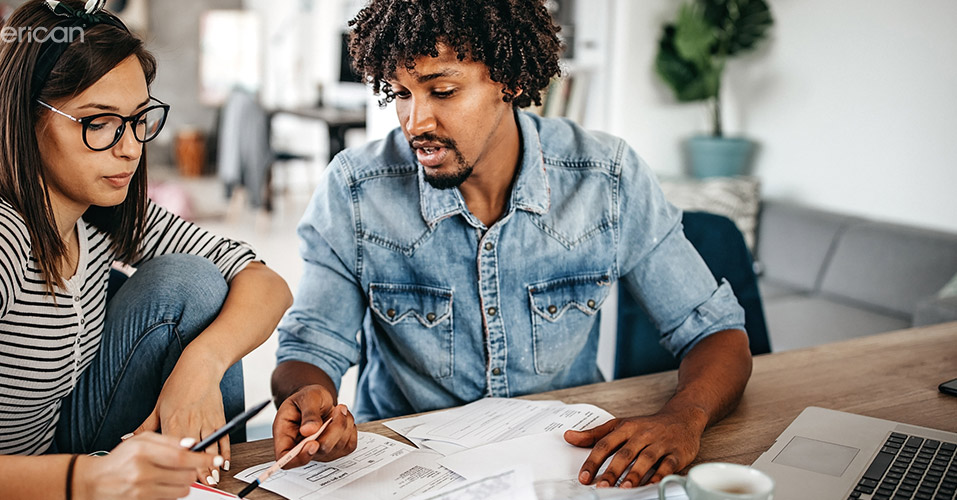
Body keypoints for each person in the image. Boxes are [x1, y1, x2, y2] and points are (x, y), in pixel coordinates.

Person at [269, 0, 753, 489]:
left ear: (510, 81)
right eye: (401, 94)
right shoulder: (356, 190)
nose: (415, 123)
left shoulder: (606, 178)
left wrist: (684, 417)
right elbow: (310, 345)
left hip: (569, 470)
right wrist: (310, 398)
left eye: (442, 90)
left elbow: (715, 334)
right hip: (407, 473)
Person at [0, 1, 292, 499]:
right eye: (98, 122)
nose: (130, 148)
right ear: (27, 117)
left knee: (196, 283)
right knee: (191, 284)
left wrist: (200, 366)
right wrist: (90, 479)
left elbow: (265, 282)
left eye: (139, 118)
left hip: (50, 450)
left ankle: (217, 489)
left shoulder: (96, 210)